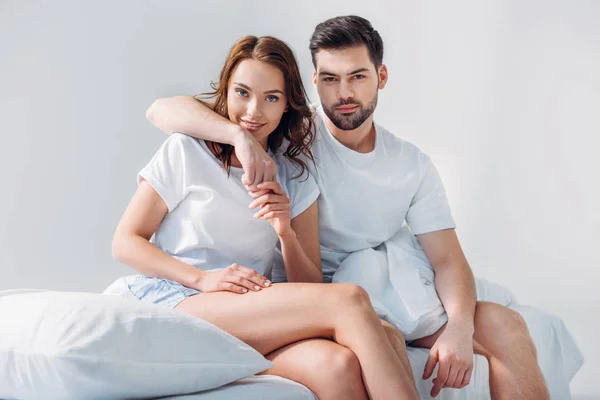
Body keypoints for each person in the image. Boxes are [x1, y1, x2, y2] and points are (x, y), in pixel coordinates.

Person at [145, 16, 551, 399]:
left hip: (386, 288)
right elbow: (162, 110)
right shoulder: (288, 137)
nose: (344, 93)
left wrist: (459, 328)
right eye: (330, 79)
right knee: (365, 332)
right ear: (314, 83)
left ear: (381, 77)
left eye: (357, 76)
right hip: (314, 297)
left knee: (508, 327)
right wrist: (240, 138)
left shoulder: (410, 164)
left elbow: (447, 260)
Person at [105, 35, 419, 400]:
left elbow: (311, 284)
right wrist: (203, 279)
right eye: (242, 93)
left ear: (287, 105)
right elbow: (125, 242)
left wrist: (284, 232)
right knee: (349, 299)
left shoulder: (294, 175)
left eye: (271, 98)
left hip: (249, 310)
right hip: (181, 297)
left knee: (343, 363)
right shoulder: (187, 150)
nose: (254, 111)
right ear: (226, 91)